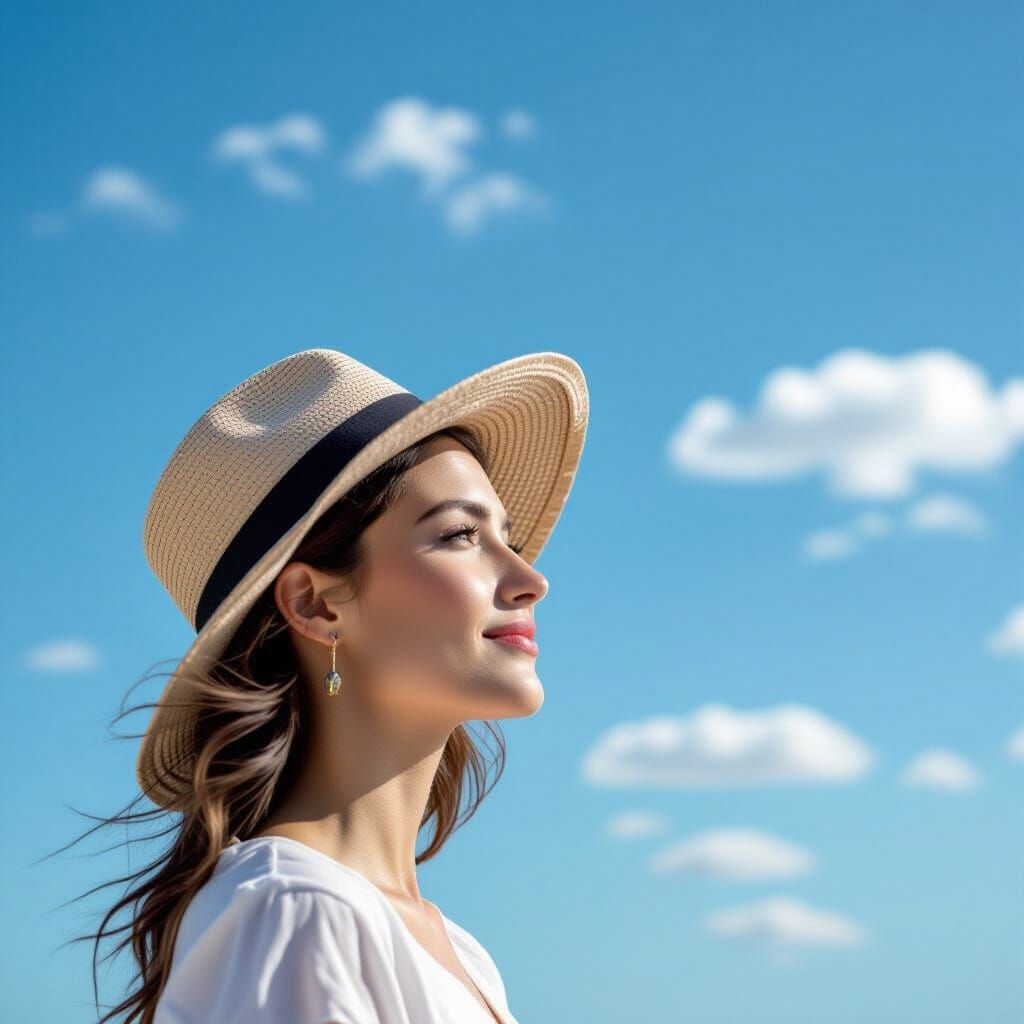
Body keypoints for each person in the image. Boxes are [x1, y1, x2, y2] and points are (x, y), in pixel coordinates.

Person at [86, 347, 589, 1023]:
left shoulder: (456, 952)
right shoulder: (296, 910)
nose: (531, 580)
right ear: (315, 604)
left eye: (509, 539)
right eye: (461, 535)